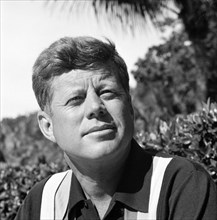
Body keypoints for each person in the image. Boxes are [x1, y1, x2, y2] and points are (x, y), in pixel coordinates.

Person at [15, 36, 217, 220]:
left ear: (129, 107)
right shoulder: (42, 202)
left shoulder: (181, 185)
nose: (95, 107)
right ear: (47, 126)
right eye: (76, 99)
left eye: (108, 93)